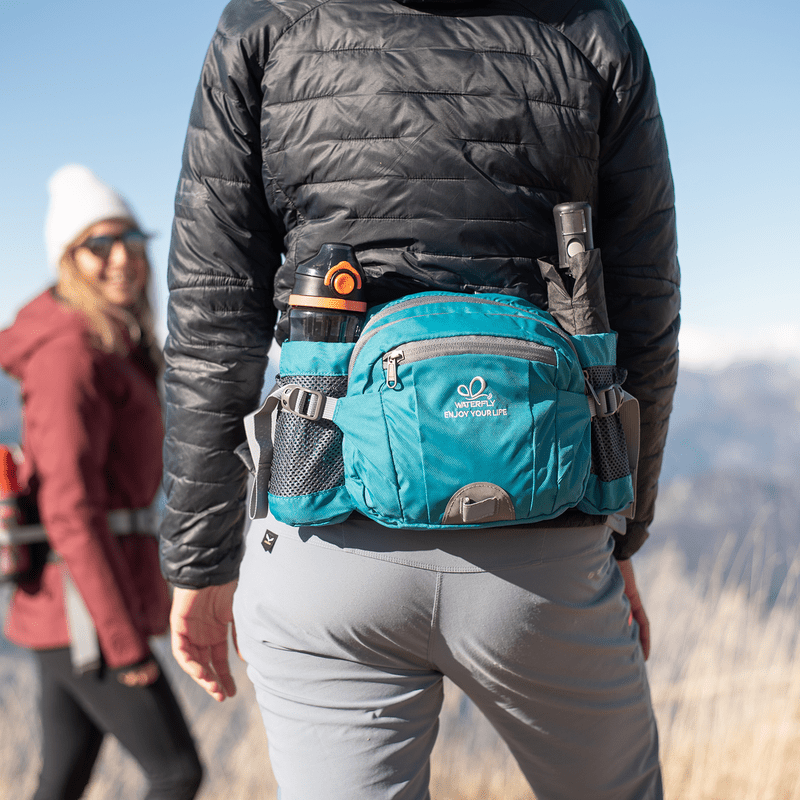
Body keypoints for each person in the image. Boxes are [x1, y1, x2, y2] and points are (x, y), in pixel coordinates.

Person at [162, 0, 679, 798]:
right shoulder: (590, 24)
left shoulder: (267, 21)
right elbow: (644, 309)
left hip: (324, 529)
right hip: (544, 535)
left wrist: (199, 562)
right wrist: (623, 524)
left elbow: (212, 316)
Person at [0, 165, 203, 800]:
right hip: (84, 613)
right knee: (176, 773)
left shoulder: (108, 343)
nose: (122, 258)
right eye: (98, 245)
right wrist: (123, 643)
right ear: (67, 259)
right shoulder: (69, 358)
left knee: (60, 780)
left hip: (69, 607)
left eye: (132, 240)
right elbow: (71, 509)